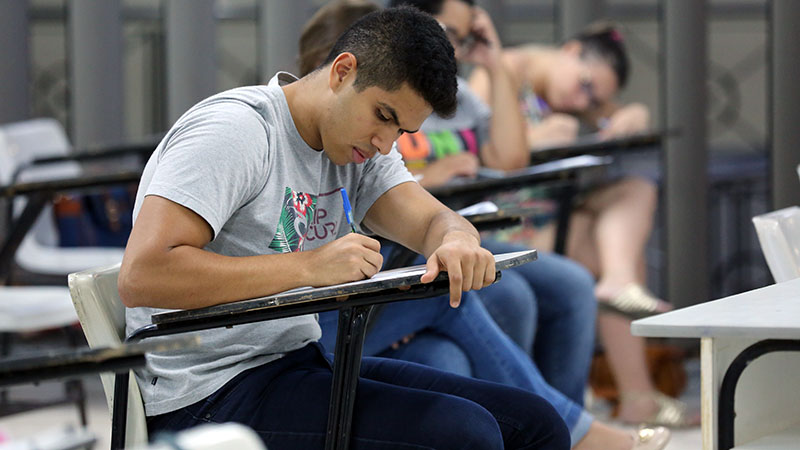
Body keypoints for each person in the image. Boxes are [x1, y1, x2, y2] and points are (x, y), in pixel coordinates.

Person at [119, 7, 570, 450]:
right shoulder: (238, 131)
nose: (385, 143)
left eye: (402, 131)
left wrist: (456, 239)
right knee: (464, 434)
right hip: (205, 393)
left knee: (535, 424)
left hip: (295, 362)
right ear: (342, 71)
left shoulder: (359, 148)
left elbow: (433, 218)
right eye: (384, 116)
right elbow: (144, 274)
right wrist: (309, 266)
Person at [305, 2, 670, 449]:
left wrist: (454, 231)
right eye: (448, 33)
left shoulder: (416, 117)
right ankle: (572, 433)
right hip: (366, 284)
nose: (454, 48)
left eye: (462, 37)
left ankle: (568, 425)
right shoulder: (312, 132)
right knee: (489, 298)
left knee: (568, 279)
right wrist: (430, 183)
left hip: (438, 241)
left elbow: (498, 165)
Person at [469, 22, 694, 427]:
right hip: (502, 224)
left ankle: (620, 281)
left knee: (635, 189)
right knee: (614, 250)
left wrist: (631, 113)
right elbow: (475, 149)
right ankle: (636, 393)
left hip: (555, 216)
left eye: (594, 97)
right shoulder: (498, 70)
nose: (583, 99)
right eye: (585, 85)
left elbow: (617, 113)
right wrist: (535, 137)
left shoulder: (569, 92)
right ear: (570, 50)